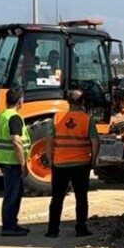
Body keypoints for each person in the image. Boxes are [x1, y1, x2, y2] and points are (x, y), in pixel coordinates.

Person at [45, 89, 98, 238]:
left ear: (68, 101)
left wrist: (50, 159)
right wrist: (93, 159)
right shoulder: (87, 119)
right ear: (82, 102)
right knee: (81, 198)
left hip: (60, 164)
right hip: (81, 164)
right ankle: (81, 229)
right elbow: (95, 141)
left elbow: (49, 141)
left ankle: (52, 230)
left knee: (57, 198)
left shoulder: (57, 118)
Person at [0, 87, 31, 236]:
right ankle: (9, 226)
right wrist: (23, 164)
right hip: (12, 161)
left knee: (13, 192)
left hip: (5, 160)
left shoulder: (3, 115)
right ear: (20, 101)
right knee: (13, 194)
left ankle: (11, 223)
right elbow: (16, 142)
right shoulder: (14, 117)